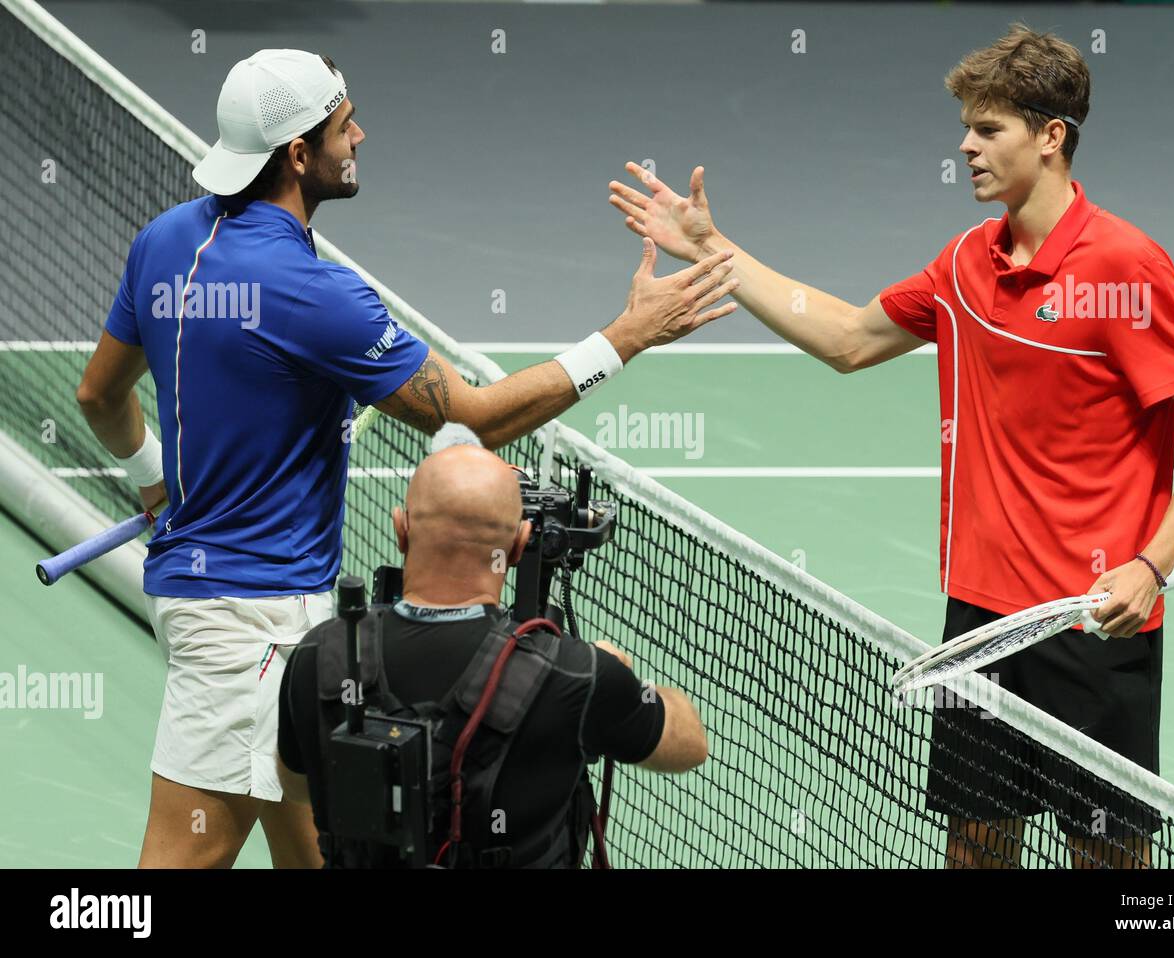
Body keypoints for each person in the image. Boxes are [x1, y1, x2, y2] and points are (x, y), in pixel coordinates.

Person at [75, 48, 735, 869]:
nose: (361, 136)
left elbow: (98, 398)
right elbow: (478, 419)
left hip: (228, 605)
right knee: (182, 860)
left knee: (323, 847)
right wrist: (628, 337)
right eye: (344, 125)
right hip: (252, 626)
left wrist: (155, 480)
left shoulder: (164, 242)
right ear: (296, 155)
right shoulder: (310, 293)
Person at [608, 23, 1174, 869]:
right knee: (975, 850)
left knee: (1108, 859)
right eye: (966, 128)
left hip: (1091, 621)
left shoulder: (1124, 267)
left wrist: (1152, 563)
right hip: (980, 621)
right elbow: (844, 338)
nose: (966, 147)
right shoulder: (965, 265)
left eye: (988, 130)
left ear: (1051, 137)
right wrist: (716, 252)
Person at [276, 430, 708, 867]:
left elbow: (296, 786)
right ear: (520, 544)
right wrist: (624, 680)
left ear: (401, 529)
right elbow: (690, 745)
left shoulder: (321, 653)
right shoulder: (576, 675)